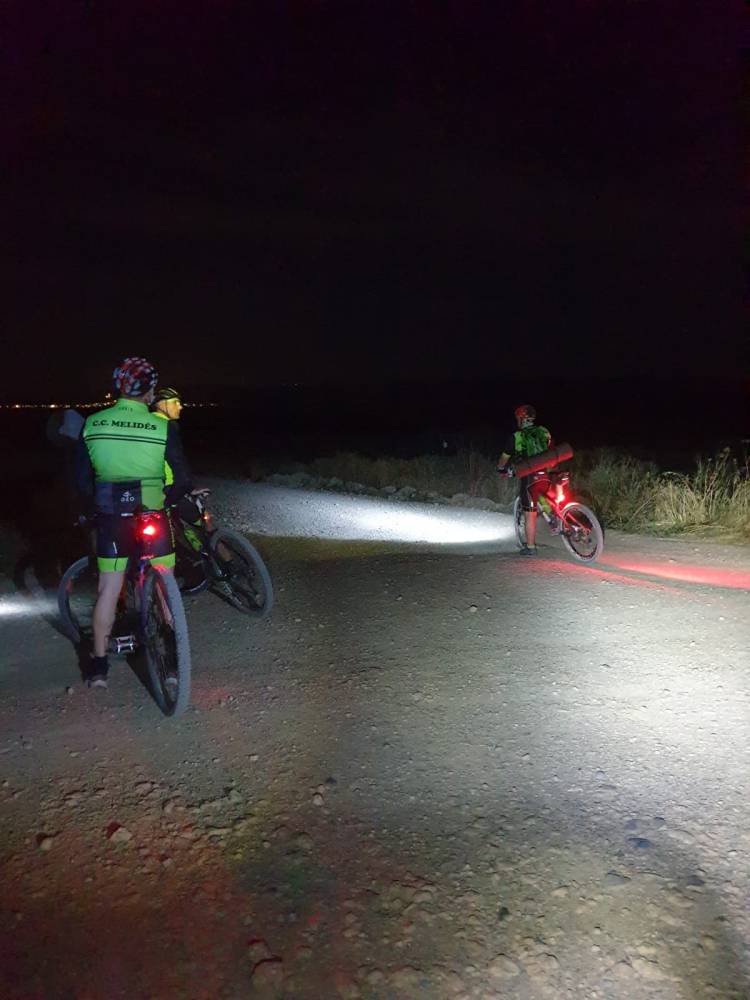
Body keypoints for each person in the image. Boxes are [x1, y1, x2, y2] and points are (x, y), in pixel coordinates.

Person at [74, 358, 191, 687]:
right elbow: (182, 478)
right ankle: (172, 664)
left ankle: (98, 667)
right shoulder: (162, 427)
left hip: (111, 516)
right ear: (150, 390)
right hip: (152, 511)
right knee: (164, 584)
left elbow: (81, 480)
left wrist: (91, 508)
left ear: (119, 387)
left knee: (109, 588)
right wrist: (168, 498)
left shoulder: (93, 423)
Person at [497, 404, 552, 556]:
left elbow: (504, 458)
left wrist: (501, 469)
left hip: (530, 479)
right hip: (546, 474)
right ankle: (555, 517)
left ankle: (531, 547)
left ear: (521, 419)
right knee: (545, 494)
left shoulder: (517, 437)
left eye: (518, 419)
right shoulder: (544, 431)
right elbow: (549, 447)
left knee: (530, 513)